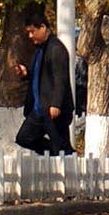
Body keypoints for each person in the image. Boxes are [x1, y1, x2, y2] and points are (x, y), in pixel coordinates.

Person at [17, 9, 73, 155]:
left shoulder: (56, 49)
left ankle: (63, 155)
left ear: (43, 27)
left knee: (59, 145)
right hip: (39, 109)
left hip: (52, 110)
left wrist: (56, 104)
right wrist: (26, 73)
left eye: (32, 31)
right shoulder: (40, 50)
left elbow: (60, 78)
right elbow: (41, 76)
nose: (30, 36)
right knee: (24, 138)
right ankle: (59, 152)